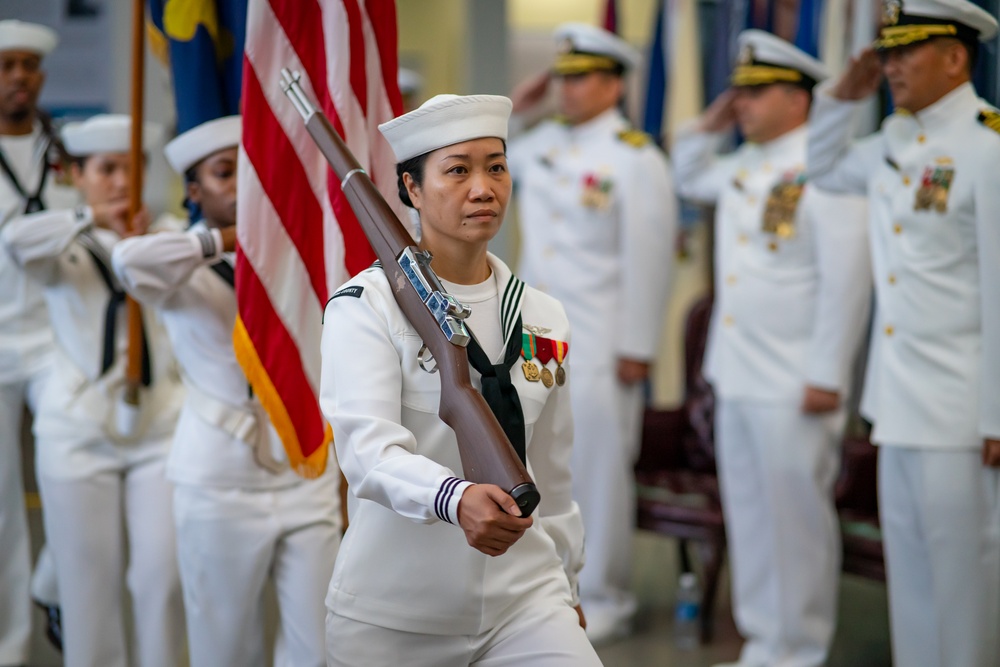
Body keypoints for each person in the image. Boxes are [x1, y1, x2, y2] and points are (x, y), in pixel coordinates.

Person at [319, 93, 601, 667]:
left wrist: (567, 585)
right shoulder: (365, 308)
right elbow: (367, 453)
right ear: (411, 190)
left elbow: (553, 472)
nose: (483, 188)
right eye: (458, 170)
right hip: (396, 613)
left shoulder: (543, 315)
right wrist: (454, 498)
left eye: (495, 167)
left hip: (524, 600)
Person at [806, 0, 1000, 665]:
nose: (890, 65)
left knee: (965, 581)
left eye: (905, 51)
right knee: (911, 581)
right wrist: (840, 95)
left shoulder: (987, 147)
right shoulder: (892, 142)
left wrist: (996, 413)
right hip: (895, 406)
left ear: (955, 56)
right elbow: (823, 168)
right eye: (886, 52)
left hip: (961, 412)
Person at [672, 30, 872, 667]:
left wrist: (828, 376)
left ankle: (803, 648)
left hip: (795, 383)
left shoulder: (828, 169)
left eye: (756, 94)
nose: (742, 105)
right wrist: (713, 117)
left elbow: (847, 284)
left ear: (797, 99)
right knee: (752, 516)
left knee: (798, 524)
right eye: (740, 94)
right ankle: (764, 641)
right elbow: (689, 171)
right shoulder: (744, 165)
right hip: (736, 373)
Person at [112, 115, 342, 667]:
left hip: (302, 467)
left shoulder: (299, 253)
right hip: (218, 479)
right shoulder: (182, 263)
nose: (241, 185)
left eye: (249, 171)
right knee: (225, 646)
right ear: (194, 191)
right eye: (222, 173)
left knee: (321, 645)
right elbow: (128, 261)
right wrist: (224, 240)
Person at [507, 22, 677, 642]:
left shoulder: (635, 158)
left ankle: (606, 595)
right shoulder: (542, 143)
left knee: (598, 473)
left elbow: (650, 256)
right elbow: (489, 158)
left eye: (578, 78)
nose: (566, 89)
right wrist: (519, 109)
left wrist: (638, 345)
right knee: (541, 466)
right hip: (533, 337)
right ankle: (552, 591)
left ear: (612, 84)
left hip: (601, 341)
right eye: (561, 77)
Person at [0, 114, 185, 667]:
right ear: (75, 175)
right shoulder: (60, 243)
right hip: (78, 431)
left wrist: (141, 236)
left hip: (159, 427)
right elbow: (15, 240)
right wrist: (86, 216)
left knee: (162, 578)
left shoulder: (168, 234)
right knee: (88, 591)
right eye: (105, 170)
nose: (120, 182)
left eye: (131, 168)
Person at [0, 19, 68, 664]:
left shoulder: (65, 151)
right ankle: (11, 648)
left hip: (53, 342)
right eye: (7, 66)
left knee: (72, 469)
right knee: (0, 510)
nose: (19, 77)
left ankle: (51, 585)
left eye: (28, 66)